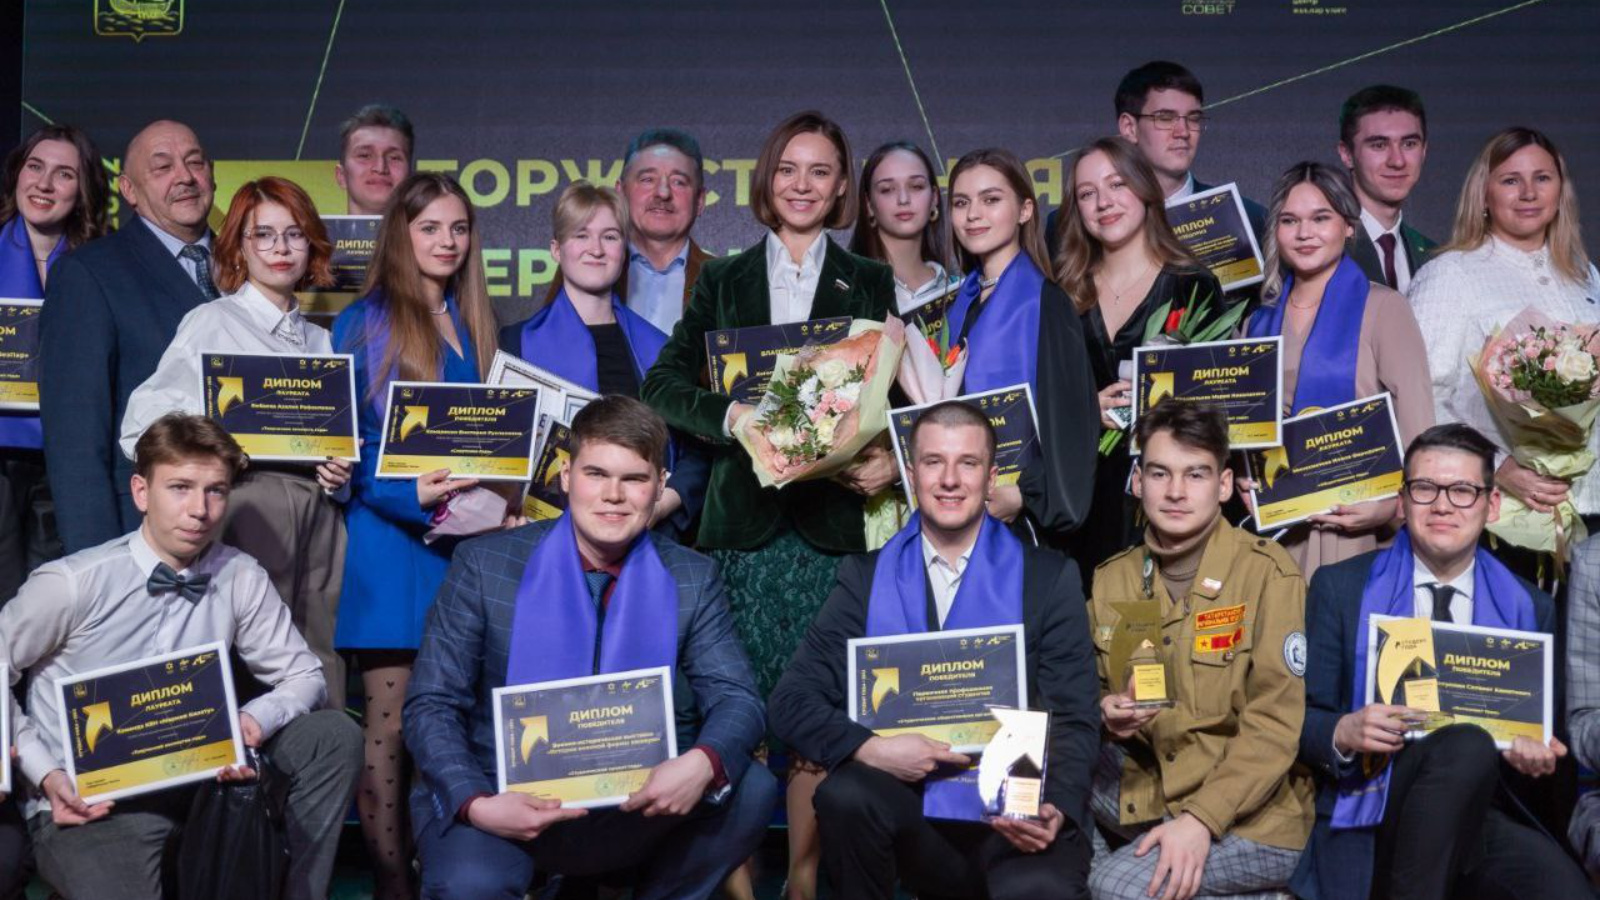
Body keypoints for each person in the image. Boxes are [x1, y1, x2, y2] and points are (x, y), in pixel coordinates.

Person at [640, 110, 896, 900]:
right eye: (789, 169)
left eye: (820, 171)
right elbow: (661, 386)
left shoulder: (870, 280)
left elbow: (895, 396)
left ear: (842, 185)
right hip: (742, 534)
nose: (803, 185)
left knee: (817, 720)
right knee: (740, 715)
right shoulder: (722, 280)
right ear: (766, 179)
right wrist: (733, 417)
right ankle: (740, 887)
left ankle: (805, 884)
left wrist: (887, 457)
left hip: (829, 532)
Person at [405, 396, 776, 899]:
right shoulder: (484, 564)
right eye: (596, 474)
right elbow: (431, 703)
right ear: (565, 476)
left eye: (634, 479)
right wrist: (476, 801)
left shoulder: (692, 576)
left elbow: (738, 698)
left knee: (749, 786)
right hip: (503, 795)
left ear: (660, 486)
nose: (613, 495)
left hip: (636, 801)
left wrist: (701, 762)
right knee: (471, 883)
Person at [0, 413, 361, 900]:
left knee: (332, 734)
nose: (200, 510)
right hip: (95, 802)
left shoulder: (239, 575)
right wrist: (46, 772)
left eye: (216, 491)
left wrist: (252, 721)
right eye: (180, 488)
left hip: (204, 784)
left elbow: (305, 675)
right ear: (141, 492)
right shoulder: (72, 583)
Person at [768, 400, 1099, 899]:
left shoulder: (1049, 578)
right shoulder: (865, 579)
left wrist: (1056, 806)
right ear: (910, 474)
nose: (949, 480)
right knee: (846, 794)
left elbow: (1074, 716)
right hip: (912, 808)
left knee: (1039, 887)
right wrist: (873, 749)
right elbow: (790, 702)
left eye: (968, 463)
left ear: (990, 478)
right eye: (933, 462)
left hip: (1017, 809)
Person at [1293, 423, 1591, 900]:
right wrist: (1344, 731)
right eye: (1425, 488)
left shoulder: (1530, 607)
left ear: (1492, 505)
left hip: (1482, 811)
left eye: (1463, 491)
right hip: (1374, 802)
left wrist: (1535, 757)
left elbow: (1543, 739)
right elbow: (1299, 720)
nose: (1443, 505)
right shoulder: (1341, 588)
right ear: (1402, 500)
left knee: (1564, 891)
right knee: (1465, 744)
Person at [119, 176, 356, 710]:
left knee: (319, 653)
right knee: (244, 653)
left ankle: (319, 758)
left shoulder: (323, 341)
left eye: (294, 234)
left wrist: (339, 475)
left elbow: (337, 443)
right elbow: (141, 425)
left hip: (321, 514)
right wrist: (217, 453)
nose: (280, 248)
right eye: (263, 235)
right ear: (239, 248)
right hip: (249, 504)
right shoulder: (213, 322)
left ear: (311, 245)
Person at [332, 171, 499, 900]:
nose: (446, 241)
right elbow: (346, 448)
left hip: (465, 550)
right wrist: (410, 493)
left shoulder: (473, 320)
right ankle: (394, 887)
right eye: (430, 227)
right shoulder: (363, 320)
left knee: (450, 729)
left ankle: (447, 877)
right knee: (390, 735)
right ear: (401, 235)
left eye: (458, 228)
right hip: (392, 550)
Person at [1087, 401, 1312, 900]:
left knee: (1113, 888)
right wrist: (1105, 711)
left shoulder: (1268, 573)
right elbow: (1091, 688)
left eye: (1195, 474)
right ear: (1138, 481)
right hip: (1149, 792)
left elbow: (1275, 724)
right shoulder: (1113, 578)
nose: (1175, 491)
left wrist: (1200, 821)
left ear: (1224, 485)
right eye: (1159, 473)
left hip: (1250, 815)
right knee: (1043, 802)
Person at [1242, 162, 1434, 582]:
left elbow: (1419, 427)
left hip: (1358, 524)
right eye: (1289, 221)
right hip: (1275, 528)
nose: (1304, 233)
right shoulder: (1257, 321)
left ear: (1348, 226)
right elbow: (1245, 428)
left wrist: (1396, 506)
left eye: (1320, 218)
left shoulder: (1385, 309)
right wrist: (1243, 474)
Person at [41, 120, 217, 554]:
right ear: (129, 190)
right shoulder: (89, 273)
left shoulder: (256, 262)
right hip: (140, 536)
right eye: (162, 167)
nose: (184, 176)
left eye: (195, 163)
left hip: (254, 534)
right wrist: (100, 563)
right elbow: (76, 441)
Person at [1411, 128, 1600, 531]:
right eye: (1511, 180)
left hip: (1593, 509)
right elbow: (1421, 398)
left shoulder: (1586, 276)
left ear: (1561, 191)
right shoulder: (1451, 274)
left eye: (1542, 178)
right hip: (1510, 519)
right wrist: (1496, 467)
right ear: (1484, 194)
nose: (1529, 193)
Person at [1053, 136, 1222, 573]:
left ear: (1145, 189)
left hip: (1166, 498)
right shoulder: (1061, 293)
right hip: (1080, 499)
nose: (1103, 203)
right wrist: (1085, 411)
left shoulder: (1193, 285)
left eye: (1117, 185)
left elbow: (1216, 404)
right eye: (1086, 193)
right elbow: (1042, 400)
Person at [499, 182, 706, 537]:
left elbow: (697, 453)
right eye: (581, 235)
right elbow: (499, 454)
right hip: (548, 537)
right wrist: (509, 506)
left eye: (610, 237)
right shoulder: (516, 344)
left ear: (624, 251)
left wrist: (661, 506)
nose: (596, 249)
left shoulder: (662, 347)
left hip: (649, 536)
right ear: (556, 249)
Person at [945, 147, 1097, 547]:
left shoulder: (1046, 303)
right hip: (954, 501)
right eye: (961, 203)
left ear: (1025, 210)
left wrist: (1025, 493)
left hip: (1020, 519)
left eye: (991, 199)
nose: (973, 214)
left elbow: (1070, 424)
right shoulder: (958, 305)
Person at [0, 124, 109, 604]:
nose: (43, 184)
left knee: (55, 601)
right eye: (35, 167)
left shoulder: (105, 264)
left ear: (84, 190)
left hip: (69, 460)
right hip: (1, 458)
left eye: (64, 174)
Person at [612, 127, 714, 336]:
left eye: (679, 182)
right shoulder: (587, 269)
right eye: (647, 179)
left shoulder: (727, 283)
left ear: (700, 201)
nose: (663, 192)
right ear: (620, 193)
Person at [1336, 85, 1436, 293]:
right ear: (1347, 154)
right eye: (1379, 145)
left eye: (1409, 144)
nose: (1397, 161)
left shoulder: (1434, 256)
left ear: (1424, 151)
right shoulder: (1319, 245)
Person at [848, 140, 960, 315]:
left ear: (934, 198)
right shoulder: (844, 289)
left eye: (916, 186)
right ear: (868, 204)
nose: (903, 199)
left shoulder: (962, 293)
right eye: (887, 189)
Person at [336, 104, 413, 216]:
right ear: (341, 175)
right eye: (364, 156)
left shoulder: (438, 228)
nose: (380, 168)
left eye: (394, 158)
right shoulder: (318, 229)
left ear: (410, 177)